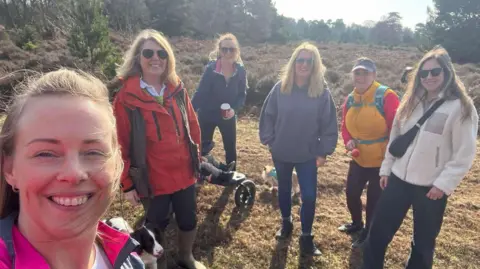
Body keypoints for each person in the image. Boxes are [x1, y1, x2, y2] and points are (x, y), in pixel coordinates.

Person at [0, 69, 144, 268]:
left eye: (93, 152)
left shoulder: (130, 260)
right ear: (9, 168)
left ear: (117, 164)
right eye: (46, 154)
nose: (74, 174)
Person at [362, 46, 478, 269]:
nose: (429, 77)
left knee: (423, 244)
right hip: (398, 179)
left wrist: (443, 185)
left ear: (447, 72)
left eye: (435, 72)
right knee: (377, 234)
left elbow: (464, 153)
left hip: (430, 188)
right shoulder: (410, 101)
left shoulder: (461, 107)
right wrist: (387, 169)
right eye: (424, 73)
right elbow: (395, 137)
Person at [113, 29, 205, 269]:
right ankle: (158, 265)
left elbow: (192, 126)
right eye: (148, 52)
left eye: (161, 53)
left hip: (184, 172)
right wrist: (127, 183)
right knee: (156, 226)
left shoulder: (177, 89)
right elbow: (119, 142)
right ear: (138, 58)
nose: (156, 58)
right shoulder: (125, 98)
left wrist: (196, 160)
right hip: (153, 179)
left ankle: (186, 257)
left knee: (188, 219)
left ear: (168, 58)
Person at [259, 42, 338, 256]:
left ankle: (306, 237)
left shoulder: (321, 92)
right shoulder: (280, 88)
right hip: (282, 152)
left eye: (308, 61)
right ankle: (286, 223)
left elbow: (329, 125)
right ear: (293, 63)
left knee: (309, 196)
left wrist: (323, 152)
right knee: (284, 189)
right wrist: (269, 140)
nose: (303, 64)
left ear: (315, 65)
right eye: (299, 60)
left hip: (307, 155)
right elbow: (267, 115)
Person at [338, 57, 400, 248]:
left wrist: (389, 157)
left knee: (374, 199)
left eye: (366, 72)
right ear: (352, 75)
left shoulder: (386, 96)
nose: (361, 76)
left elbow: (396, 128)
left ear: (374, 75)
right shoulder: (350, 98)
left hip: (381, 161)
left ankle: (368, 233)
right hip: (358, 158)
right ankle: (357, 223)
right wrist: (348, 140)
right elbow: (345, 125)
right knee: (351, 193)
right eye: (357, 72)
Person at [191, 33, 248, 171]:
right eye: (224, 49)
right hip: (207, 114)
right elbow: (201, 92)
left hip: (227, 115)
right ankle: (201, 172)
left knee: (230, 147)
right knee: (203, 147)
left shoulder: (240, 71)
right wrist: (189, 111)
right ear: (219, 50)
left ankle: (231, 174)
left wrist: (235, 109)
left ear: (236, 51)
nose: (228, 53)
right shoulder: (211, 69)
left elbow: (242, 94)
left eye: (231, 49)